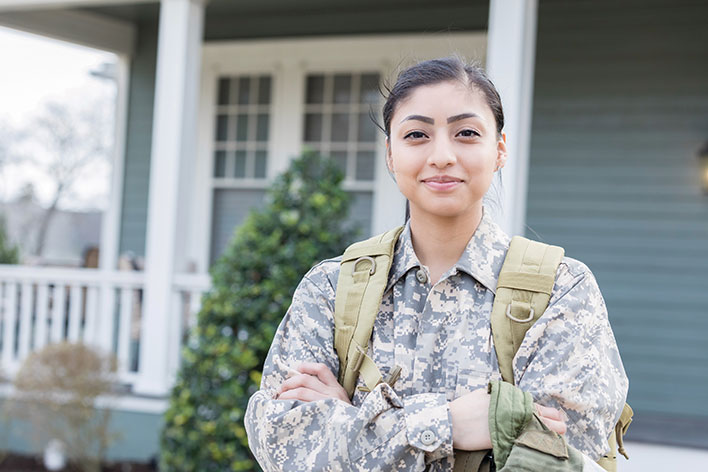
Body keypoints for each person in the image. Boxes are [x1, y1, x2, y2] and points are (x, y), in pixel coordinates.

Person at [244, 56, 628, 471]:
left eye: (466, 133)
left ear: (499, 149)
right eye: (416, 134)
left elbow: (561, 461)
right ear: (390, 154)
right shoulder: (332, 288)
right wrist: (450, 425)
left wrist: (355, 421)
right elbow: (282, 444)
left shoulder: (560, 290)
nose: (442, 155)